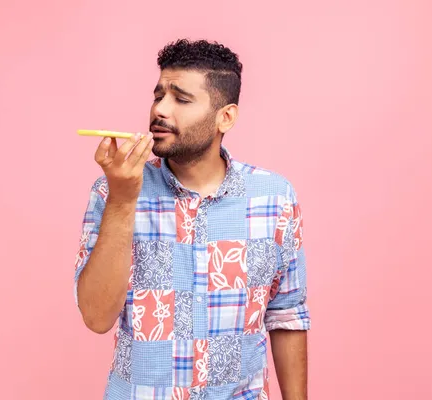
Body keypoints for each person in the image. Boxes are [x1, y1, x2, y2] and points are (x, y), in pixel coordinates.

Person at [74, 38, 309, 399]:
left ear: (225, 117)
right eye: (158, 96)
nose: (160, 110)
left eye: (181, 99)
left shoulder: (274, 198)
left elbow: (287, 315)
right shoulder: (112, 191)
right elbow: (96, 317)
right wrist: (123, 201)